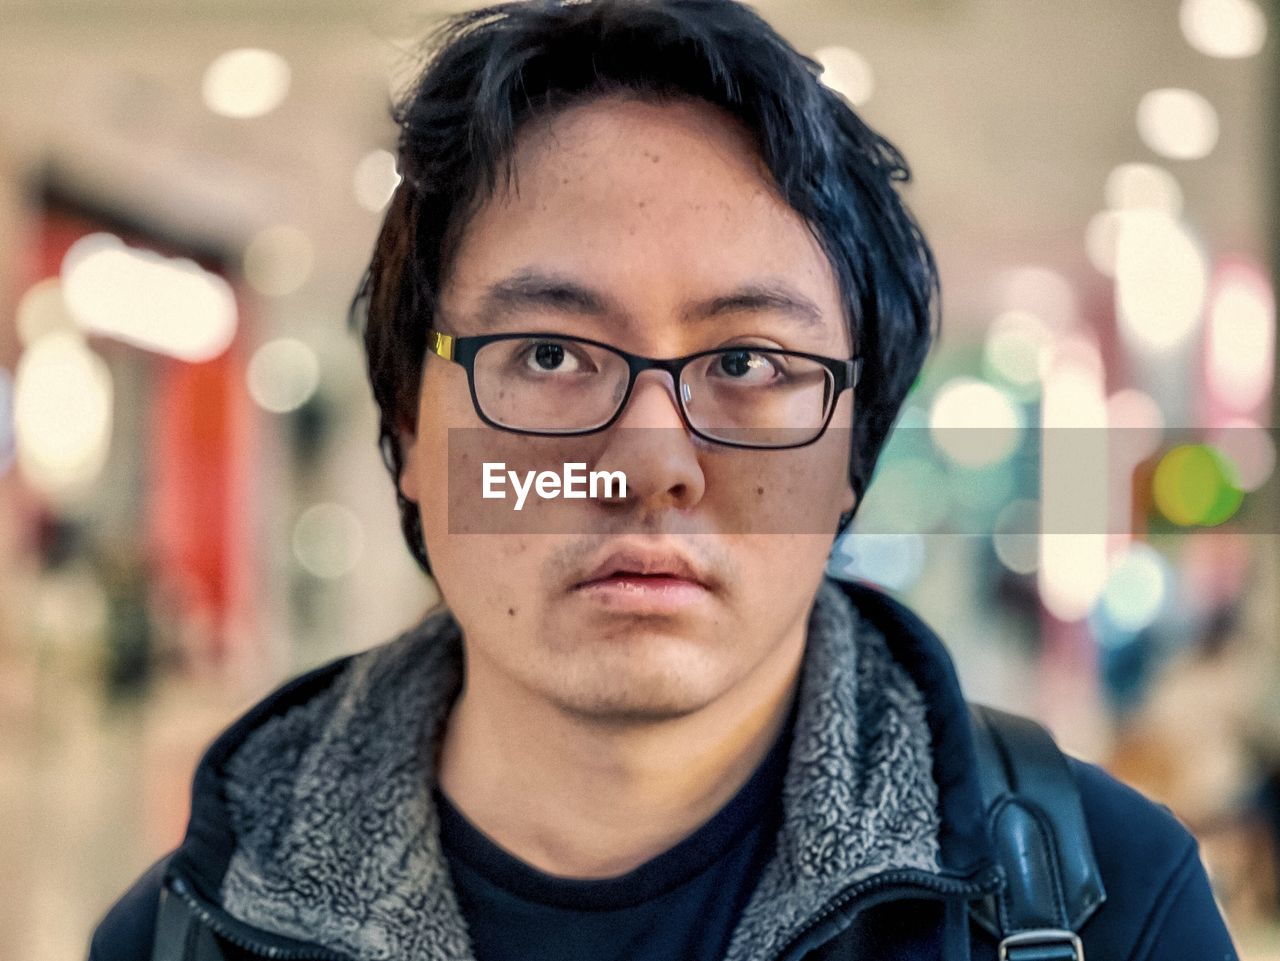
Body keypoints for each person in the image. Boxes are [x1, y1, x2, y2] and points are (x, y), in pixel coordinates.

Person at [89, 1, 1239, 959]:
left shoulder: (1104, 903)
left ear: (851, 448)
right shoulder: (185, 932)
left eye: (746, 363)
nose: (651, 462)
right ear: (407, 415)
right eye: (546, 355)